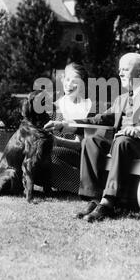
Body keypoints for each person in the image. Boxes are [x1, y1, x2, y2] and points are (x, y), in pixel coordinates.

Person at [45, 53, 140, 222]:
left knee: (121, 141)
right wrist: (68, 124)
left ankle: (109, 202)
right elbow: (100, 119)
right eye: (119, 70)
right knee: (92, 141)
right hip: (124, 143)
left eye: (125, 69)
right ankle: (94, 198)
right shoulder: (122, 99)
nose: (120, 73)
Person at [49, 62, 92, 194]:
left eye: (75, 82)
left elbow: (80, 145)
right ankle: (57, 181)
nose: (69, 84)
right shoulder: (55, 106)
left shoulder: (88, 107)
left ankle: (81, 187)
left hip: (78, 155)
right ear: (62, 79)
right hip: (56, 150)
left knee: (51, 154)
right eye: (67, 79)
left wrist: (55, 140)